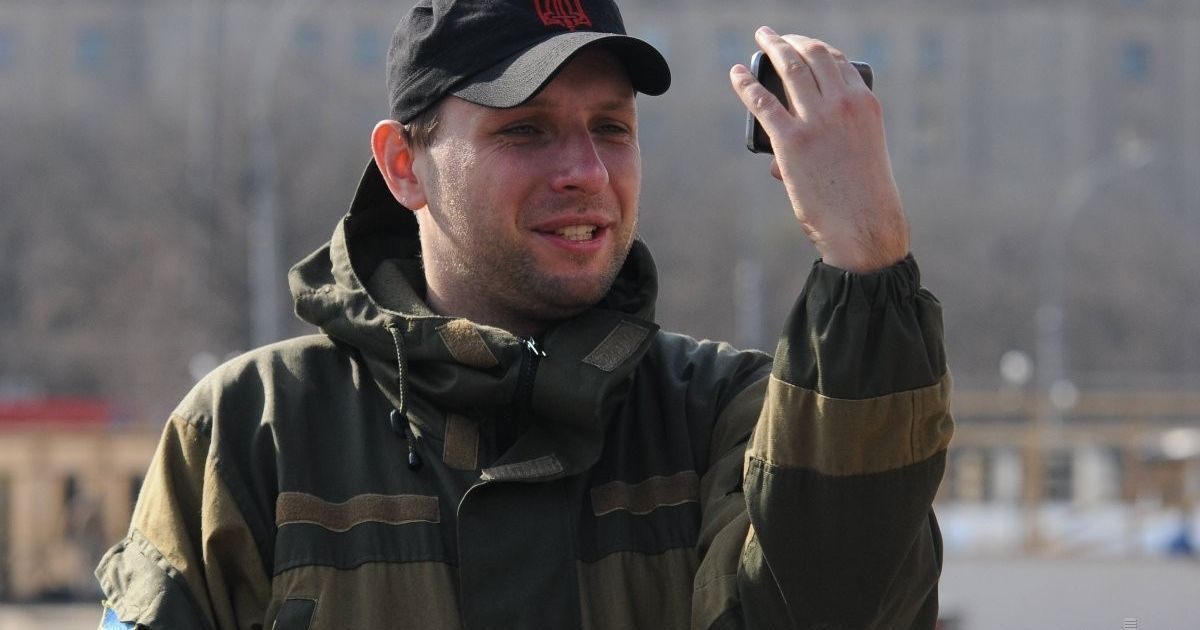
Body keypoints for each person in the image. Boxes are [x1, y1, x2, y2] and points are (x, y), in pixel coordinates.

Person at [96, 0, 953, 627]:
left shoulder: (726, 416)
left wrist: (867, 265)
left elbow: (846, 609)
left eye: (611, 128)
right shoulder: (252, 433)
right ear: (404, 166)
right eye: (525, 131)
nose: (586, 171)